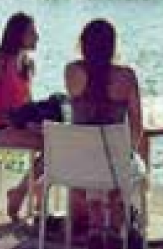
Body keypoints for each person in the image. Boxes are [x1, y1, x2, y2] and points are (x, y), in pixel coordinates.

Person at [64, 19, 149, 235]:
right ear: (112, 45)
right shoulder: (127, 76)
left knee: (94, 157)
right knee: (129, 161)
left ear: (83, 44)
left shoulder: (71, 71)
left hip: (79, 164)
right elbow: (137, 125)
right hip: (114, 163)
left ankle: (95, 221)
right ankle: (114, 218)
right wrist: (130, 153)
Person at [0, 12, 43, 221]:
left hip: (19, 127)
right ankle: (26, 192)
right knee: (53, 147)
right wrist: (11, 121)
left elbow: (27, 105)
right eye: (32, 32)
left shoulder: (27, 64)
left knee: (58, 142)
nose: (38, 37)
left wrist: (35, 122)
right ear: (18, 35)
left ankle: (27, 190)